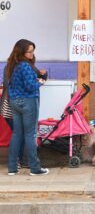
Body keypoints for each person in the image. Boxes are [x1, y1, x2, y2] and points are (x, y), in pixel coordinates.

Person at [6, 39, 49, 176]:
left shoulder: (10, 65)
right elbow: (31, 86)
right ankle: (35, 168)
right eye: (29, 51)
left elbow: (9, 83)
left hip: (14, 101)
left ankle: (12, 168)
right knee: (31, 134)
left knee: (17, 134)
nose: (32, 54)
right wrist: (41, 81)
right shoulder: (25, 66)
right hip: (28, 101)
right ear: (22, 51)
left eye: (32, 51)